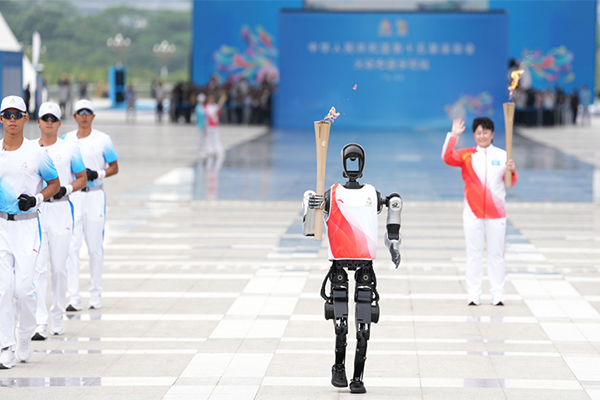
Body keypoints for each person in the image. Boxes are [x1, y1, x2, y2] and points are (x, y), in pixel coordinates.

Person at [303, 144, 403, 394]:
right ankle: (339, 367)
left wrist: (393, 242)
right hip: (339, 260)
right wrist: (310, 203)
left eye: (356, 160)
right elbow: (309, 226)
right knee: (341, 324)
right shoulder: (331, 193)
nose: (353, 165)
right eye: (350, 160)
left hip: (364, 261)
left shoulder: (371, 193)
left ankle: (358, 377)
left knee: (363, 325)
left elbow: (394, 206)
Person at [0, 95, 60, 369]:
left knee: (24, 290)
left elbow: (54, 183)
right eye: (7, 114)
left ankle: (24, 335)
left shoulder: (37, 153)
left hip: (27, 226)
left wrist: (36, 199)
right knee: (3, 289)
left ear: (26, 118)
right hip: (2, 225)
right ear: (1, 119)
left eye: (17, 114)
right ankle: (6, 345)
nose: (12, 119)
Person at [442, 117, 517, 306]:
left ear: (492, 134)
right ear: (474, 135)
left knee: (496, 255)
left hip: (496, 213)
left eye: (485, 132)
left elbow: (511, 182)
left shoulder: (503, 155)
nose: (482, 136)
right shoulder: (467, 155)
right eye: (478, 132)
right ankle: (473, 294)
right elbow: (447, 158)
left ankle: (498, 294)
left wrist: (512, 170)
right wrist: (453, 136)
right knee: (473, 254)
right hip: (472, 212)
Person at [31, 102, 87, 341]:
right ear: (38, 122)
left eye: (53, 118)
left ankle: (57, 316)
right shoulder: (30, 148)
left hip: (62, 210)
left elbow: (82, 178)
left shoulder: (70, 149)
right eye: (45, 118)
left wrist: (68, 188)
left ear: (59, 123)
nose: (49, 122)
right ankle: (40, 321)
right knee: (38, 268)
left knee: (58, 268)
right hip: (38, 211)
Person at [63, 100, 119, 311]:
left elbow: (114, 167)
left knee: (95, 247)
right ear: (75, 116)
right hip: (74, 197)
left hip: (95, 195)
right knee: (72, 247)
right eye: (80, 112)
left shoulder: (103, 140)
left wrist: (98, 173)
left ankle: (95, 294)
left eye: (88, 112)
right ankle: (74, 297)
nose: (84, 116)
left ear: (93, 116)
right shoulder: (66, 140)